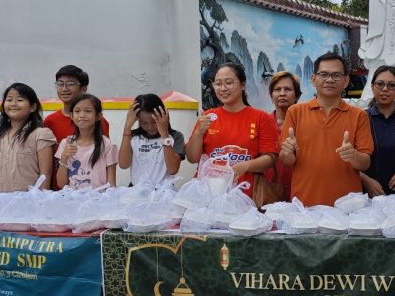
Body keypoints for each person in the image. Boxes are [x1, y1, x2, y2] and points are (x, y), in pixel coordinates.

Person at [279, 53, 374, 206]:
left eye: (336, 75)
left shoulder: (359, 116)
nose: (330, 80)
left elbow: (365, 163)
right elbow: (287, 160)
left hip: (346, 205)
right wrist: (287, 152)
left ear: (346, 80)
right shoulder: (295, 112)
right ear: (313, 79)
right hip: (305, 203)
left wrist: (353, 155)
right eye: (324, 74)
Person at [186, 62, 278, 197]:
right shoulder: (208, 117)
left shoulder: (261, 118)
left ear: (242, 84)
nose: (223, 88)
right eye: (218, 84)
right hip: (207, 195)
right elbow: (192, 158)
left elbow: (270, 158)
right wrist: (199, 132)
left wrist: (245, 166)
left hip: (245, 195)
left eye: (228, 83)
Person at [43, 65, 110, 189]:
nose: (64, 89)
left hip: (93, 192)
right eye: (60, 84)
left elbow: (104, 159)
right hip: (59, 191)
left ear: (83, 88)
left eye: (70, 84)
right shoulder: (49, 121)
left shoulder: (98, 122)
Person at [0, 83, 55, 192]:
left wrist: (40, 202)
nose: (13, 104)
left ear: (33, 107)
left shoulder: (41, 134)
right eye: (9, 100)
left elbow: (46, 174)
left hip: (30, 203)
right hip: (1, 203)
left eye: (20, 100)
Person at [360, 66, 395, 196]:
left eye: (391, 85)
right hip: (367, 195)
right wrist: (365, 181)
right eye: (380, 84)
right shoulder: (360, 118)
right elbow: (349, 160)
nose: (385, 89)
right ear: (372, 87)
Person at [119, 93, 185, 188]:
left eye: (154, 121)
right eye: (143, 123)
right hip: (136, 191)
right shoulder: (132, 136)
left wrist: (164, 135)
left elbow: (173, 169)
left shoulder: (175, 136)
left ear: (164, 116)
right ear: (137, 120)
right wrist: (127, 127)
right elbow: (123, 164)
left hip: (163, 193)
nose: (150, 127)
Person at [55, 94, 118, 189]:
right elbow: (61, 184)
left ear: (98, 116)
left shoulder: (107, 144)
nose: (82, 115)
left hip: (99, 200)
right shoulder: (66, 143)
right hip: (74, 200)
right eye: (77, 111)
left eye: (88, 111)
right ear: (71, 116)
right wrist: (64, 157)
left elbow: (111, 183)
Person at [267, 71, 302, 201]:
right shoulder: (262, 123)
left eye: (287, 89)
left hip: (299, 189)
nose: (282, 93)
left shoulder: (306, 123)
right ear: (271, 95)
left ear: (297, 96)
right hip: (268, 190)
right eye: (277, 89)